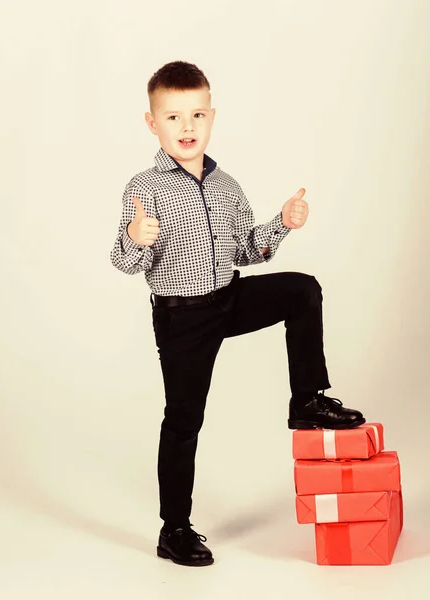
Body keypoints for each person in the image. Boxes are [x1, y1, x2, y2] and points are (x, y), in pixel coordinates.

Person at [110, 61, 366, 568]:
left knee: (302, 290)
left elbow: (246, 249)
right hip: (183, 317)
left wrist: (283, 224)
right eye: (174, 117)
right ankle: (174, 528)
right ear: (152, 123)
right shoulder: (146, 188)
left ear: (211, 118)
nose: (187, 127)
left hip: (228, 297)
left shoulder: (225, 184)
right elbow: (124, 260)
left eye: (197, 115)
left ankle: (308, 400)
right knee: (184, 420)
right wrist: (136, 241)